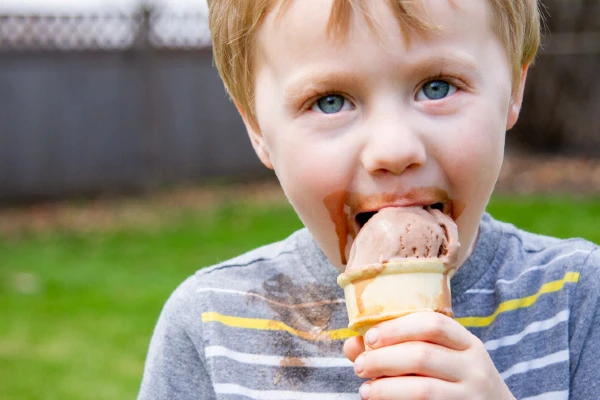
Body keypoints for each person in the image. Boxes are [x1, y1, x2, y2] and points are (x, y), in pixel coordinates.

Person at [138, 0, 600, 398]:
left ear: (514, 90)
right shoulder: (210, 328)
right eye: (331, 101)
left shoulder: (577, 305)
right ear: (257, 128)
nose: (393, 150)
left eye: (436, 86)